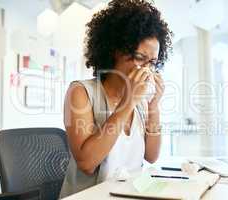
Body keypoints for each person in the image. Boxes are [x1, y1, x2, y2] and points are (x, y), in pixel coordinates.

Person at [59, 0, 172, 198]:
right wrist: (128, 102)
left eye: (152, 62)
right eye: (139, 58)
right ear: (116, 51)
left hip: (131, 194)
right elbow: (87, 163)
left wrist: (154, 106)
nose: (147, 69)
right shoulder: (81, 92)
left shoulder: (141, 102)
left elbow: (151, 156)